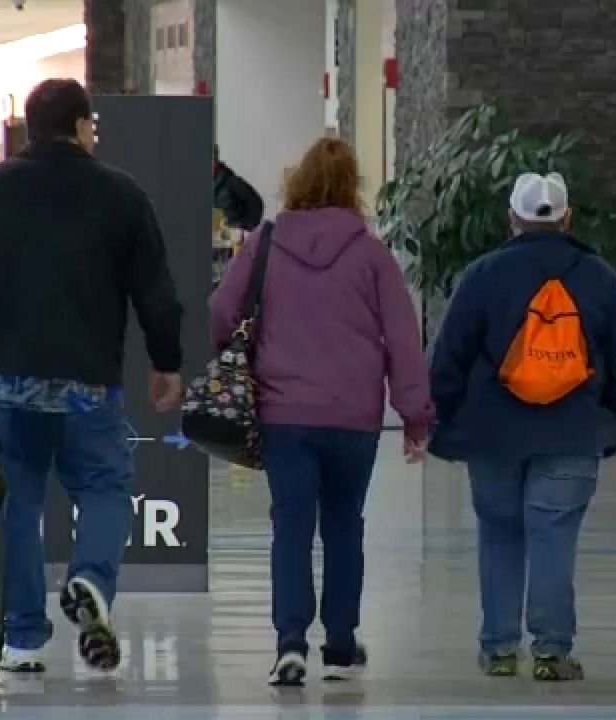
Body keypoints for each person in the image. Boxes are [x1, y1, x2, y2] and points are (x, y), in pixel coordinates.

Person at [0, 78, 185, 673]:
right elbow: (157, 293)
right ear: (80, 126)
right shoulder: (121, 195)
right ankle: (90, 580)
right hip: (88, 380)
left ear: (29, 129)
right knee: (103, 487)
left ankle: (21, 637)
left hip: (8, 383)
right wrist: (166, 362)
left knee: (17, 500)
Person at [209, 137, 432, 687]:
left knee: (290, 525)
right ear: (350, 187)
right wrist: (415, 415)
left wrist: (209, 369)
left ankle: (290, 642)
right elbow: (404, 340)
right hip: (354, 419)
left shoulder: (265, 244)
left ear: (299, 181)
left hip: (284, 415)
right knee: (342, 526)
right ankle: (338, 641)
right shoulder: (372, 254)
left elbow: (219, 314)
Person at [428, 172, 616, 682]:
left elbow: (447, 359)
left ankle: (500, 648)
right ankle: (551, 651)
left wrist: (450, 415)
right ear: (567, 219)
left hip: (494, 434)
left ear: (512, 220)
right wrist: (607, 415)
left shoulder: (483, 275)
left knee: (500, 533)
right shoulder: (598, 277)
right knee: (553, 536)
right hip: (573, 431)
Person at [213, 144, 265, 232]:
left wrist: (246, 229)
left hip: (234, 238)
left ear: (216, 162)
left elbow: (256, 203)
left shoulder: (231, 181)